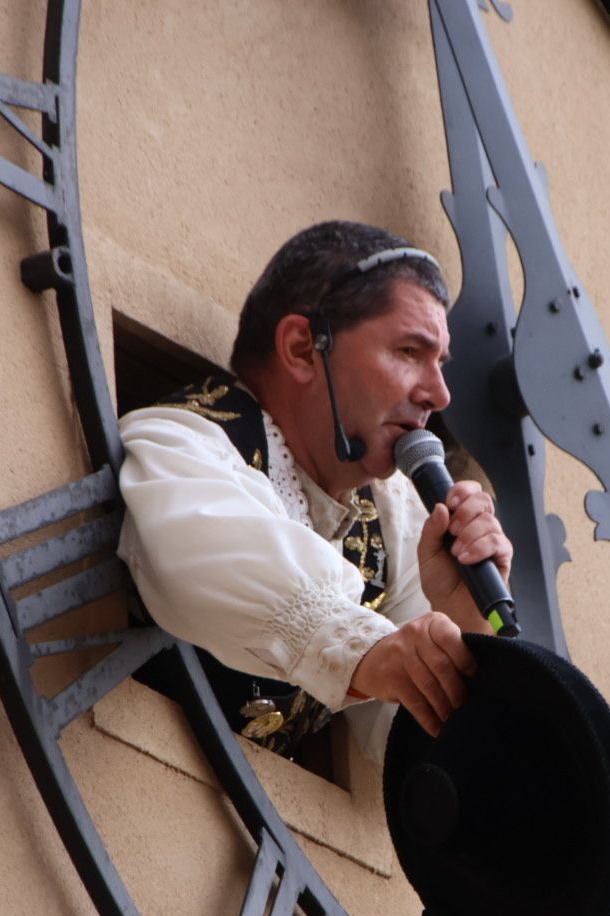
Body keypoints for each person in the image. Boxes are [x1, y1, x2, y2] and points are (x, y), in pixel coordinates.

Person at [117, 221, 512, 758]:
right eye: (408, 352)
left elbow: (406, 749)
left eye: (439, 363)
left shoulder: (397, 519)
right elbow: (215, 551)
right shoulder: (177, 442)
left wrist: (463, 620)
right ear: (303, 348)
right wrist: (372, 651)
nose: (438, 394)